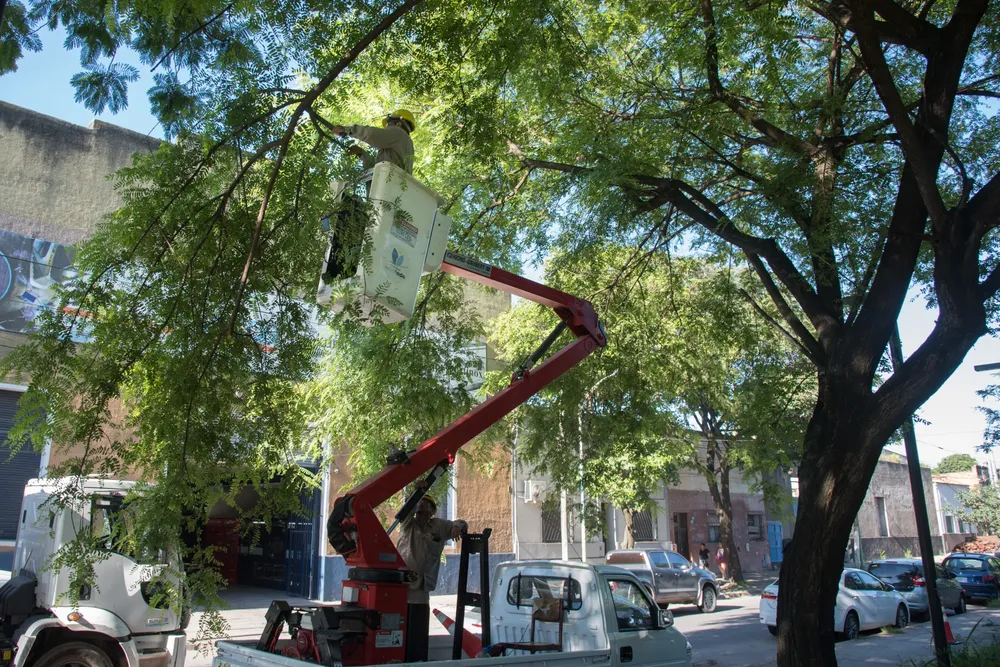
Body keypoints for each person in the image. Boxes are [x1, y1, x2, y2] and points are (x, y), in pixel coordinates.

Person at [398, 495, 467, 662]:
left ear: (432, 509)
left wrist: (457, 526)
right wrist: (416, 492)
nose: (421, 503)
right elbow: (404, 512)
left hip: (422, 588)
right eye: (419, 501)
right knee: (400, 628)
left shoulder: (438, 526)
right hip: (401, 586)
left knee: (418, 632)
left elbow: (463, 523)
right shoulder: (408, 524)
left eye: (425, 501)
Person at [331, 109, 416, 175]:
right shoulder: (404, 145)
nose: (386, 129)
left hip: (388, 186)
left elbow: (371, 134)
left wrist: (347, 130)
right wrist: (362, 154)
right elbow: (376, 168)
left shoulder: (399, 133)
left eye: (388, 124)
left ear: (398, 123)